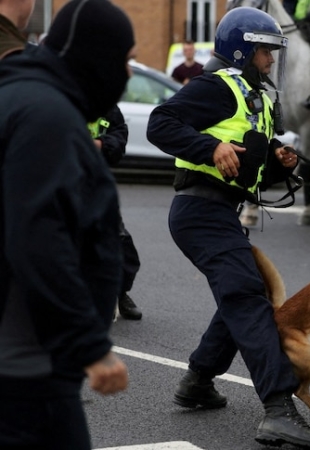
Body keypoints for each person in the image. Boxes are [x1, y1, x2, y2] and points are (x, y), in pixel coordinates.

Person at [146, 7, 310, 449]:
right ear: (243, 50)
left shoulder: (259, 101)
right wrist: (209, 148)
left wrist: (279, 166)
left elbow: (250, 173)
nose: (270, 61)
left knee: (247, 294)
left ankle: (197, 382)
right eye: (265, 52)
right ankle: (278, 410)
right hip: (198, 212)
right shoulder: (216, 87)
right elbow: (160, 122)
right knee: (248, 297)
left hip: (220, 213)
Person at [0, 0, 134, 448]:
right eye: (123, 60)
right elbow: (39, 237)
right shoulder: (47, 117)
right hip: (27, 367)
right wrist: (89, 345)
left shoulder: (24, 97)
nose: (128, 74)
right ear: (93, 56)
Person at [89, 106, 144, 321]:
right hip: (58, 182)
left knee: (122, 243)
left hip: (96, 185)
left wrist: (101, 145)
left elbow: (119, 137)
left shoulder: (106, 102)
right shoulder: (59, 96)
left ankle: (120, 293)